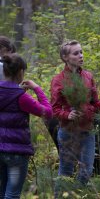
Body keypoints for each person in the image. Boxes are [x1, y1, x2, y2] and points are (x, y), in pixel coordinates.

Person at [51, 40, 100, 186]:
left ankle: (75, 194)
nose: (81, 55)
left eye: (81, 52)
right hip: (68, 131)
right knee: (66, 172)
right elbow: (54, 109)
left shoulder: (88, 76)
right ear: (65, 57)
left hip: (88, 131)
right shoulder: (58, 80)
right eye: (76, 53)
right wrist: (67, 115)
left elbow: (94, 104)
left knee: (87, 169)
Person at [0, 53, 52, 199]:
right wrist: (37, 89)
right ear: (21, 72)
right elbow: (47, 112)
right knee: (12, 193)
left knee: (2, 191)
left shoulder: (18, 95)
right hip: (16, 152)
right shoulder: (21, 97)